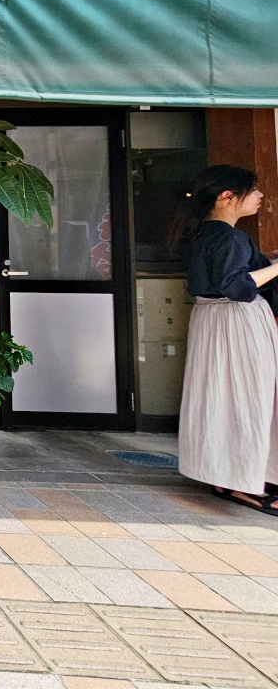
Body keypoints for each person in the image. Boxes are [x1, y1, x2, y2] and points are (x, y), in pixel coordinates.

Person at [173, 164, 278, 515]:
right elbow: (238, 287)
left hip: (212, 321)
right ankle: (243, 483)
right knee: (248, 399)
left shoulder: (203, 233)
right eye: (253, 189)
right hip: (236, 323)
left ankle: (224, 475)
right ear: (227, 196)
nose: (261, 196)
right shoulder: (229, 237)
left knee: (220, 398)